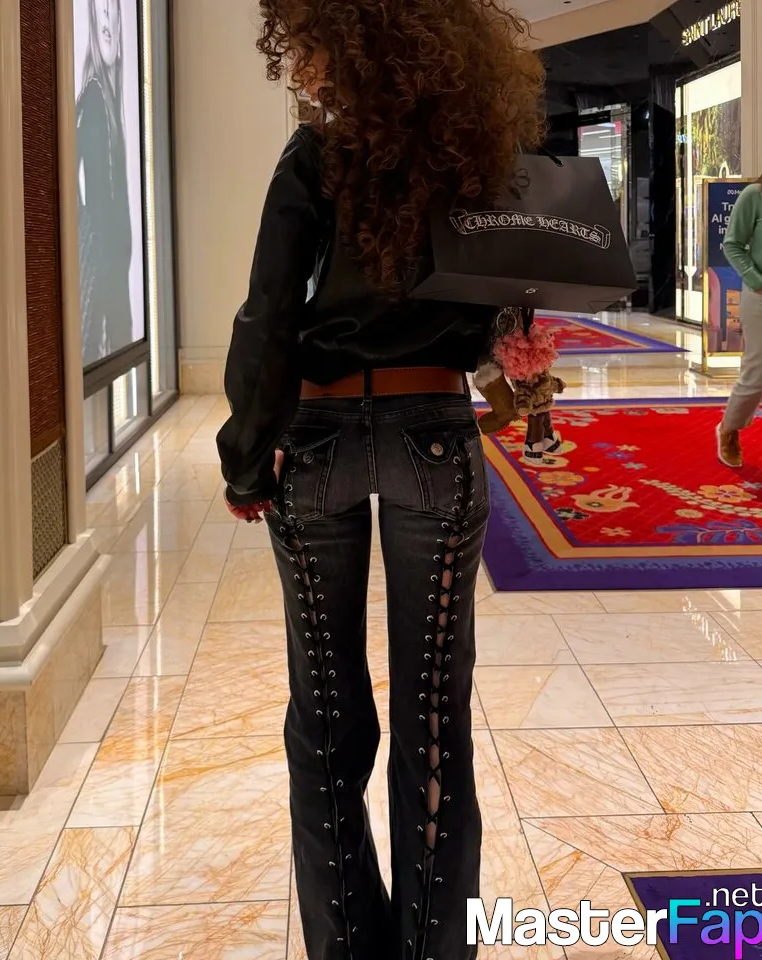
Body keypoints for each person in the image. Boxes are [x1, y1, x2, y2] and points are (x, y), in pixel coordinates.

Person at [216, 2, 544, 956]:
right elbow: (498, 322)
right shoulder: (475, 163)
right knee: (434, 718)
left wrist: (248, 460)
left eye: (310, 43)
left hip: (317, 441)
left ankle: (349, 946)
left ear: (351, 41)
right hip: (433, 434)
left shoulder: (316, 158)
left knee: (324, 719)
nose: (304, 64)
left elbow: (268, 315)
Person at [76, 0, 133, 367]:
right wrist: (96, 237)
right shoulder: (94, 99)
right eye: (102, 18)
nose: (109, 25)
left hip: (112, 254)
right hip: (104, 257)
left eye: (113, 14)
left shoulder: (105, 97)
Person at [717, 152, 762, 467]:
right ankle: (730, 428)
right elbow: (732, 244)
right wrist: (757, 281)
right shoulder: (755, 196)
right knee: (758, 373)